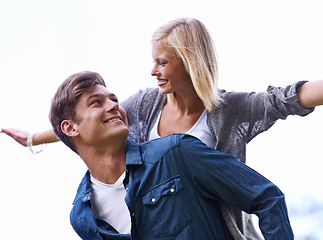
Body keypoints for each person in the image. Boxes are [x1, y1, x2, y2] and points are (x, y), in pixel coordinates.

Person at [1, 18, 323, 240]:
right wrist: (35, 139)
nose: (154, 70)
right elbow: (82, 130)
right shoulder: (142, 105)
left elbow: (296, 95)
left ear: (189, 62)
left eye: (164, 62)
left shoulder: (229, 112)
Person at [50, 70, 294, 239]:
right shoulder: (81, 217)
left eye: (113, 99)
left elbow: (266, 198)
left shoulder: (177, 152)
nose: (114, 105)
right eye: (96, 102)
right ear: (70, 128)